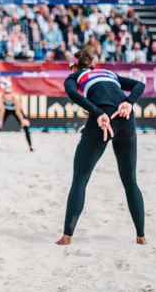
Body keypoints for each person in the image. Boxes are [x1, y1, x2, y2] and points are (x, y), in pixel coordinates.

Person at [57, 45, 147, 246]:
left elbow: (73, 94)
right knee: (130, 181)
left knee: (80, 178)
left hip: (103, 118)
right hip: (126, 117)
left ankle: (66, 237)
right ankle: (141, 237)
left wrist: (97, 112)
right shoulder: (108, 73)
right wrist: (129, 102)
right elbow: (139, 85)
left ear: (73, 67)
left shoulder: (75, 77)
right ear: (93, 64)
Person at [0, 82, 33, 152]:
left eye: (9, 93)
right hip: (5, 110)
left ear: (12, 92)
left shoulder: (16, 97)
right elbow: (2, 110)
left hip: (15, 110)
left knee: (25, 126)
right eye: (6, 93)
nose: (8, 95)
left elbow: (18, 111)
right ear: (4, 93)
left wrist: (22, 121)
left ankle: (30, 146)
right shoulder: (0, 96)